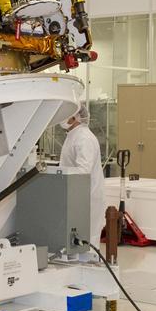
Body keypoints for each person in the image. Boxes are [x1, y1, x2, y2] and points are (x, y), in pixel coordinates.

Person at [58, 104, 105, 248]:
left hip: (86, 196)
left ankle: (88, 265)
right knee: (78, 238)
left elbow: (83, 170)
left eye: (66, 113)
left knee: (87, 238)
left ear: (75, 116)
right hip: (77, 195)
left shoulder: (83, 138)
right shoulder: (74, 135)